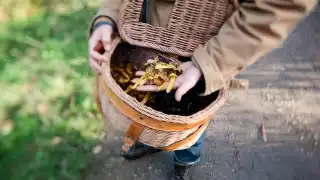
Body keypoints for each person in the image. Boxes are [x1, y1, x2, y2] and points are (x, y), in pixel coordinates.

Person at [88, 0, 317, 179]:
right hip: (142, 33)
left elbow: (280, 6)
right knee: (147, 105)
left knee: (189, 121)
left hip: (207, 45)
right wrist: (107, 17)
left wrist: (211, 62)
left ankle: (183, 162)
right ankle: (150, 142)